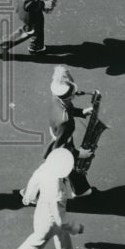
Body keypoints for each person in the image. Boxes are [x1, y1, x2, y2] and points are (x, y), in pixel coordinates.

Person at [0, 148, 85, 249]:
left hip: (42, 210)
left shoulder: (45, 168)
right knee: (38, 241)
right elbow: (60, 220)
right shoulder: (57, 192)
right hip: (51, 221)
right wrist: (76, 227)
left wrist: (29, 196)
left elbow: (34, 181)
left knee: (61, 233)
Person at [43, 66, 97, 196]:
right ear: (71, 97)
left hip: (58, 135)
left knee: (66, 168)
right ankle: (33, 194)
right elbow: (61, 147)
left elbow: (68, 108)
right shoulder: (66, 122)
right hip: (61, 143)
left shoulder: (56, 98)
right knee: (58, 170)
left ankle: (81, 189)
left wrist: (82, 112)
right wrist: (79, 154)